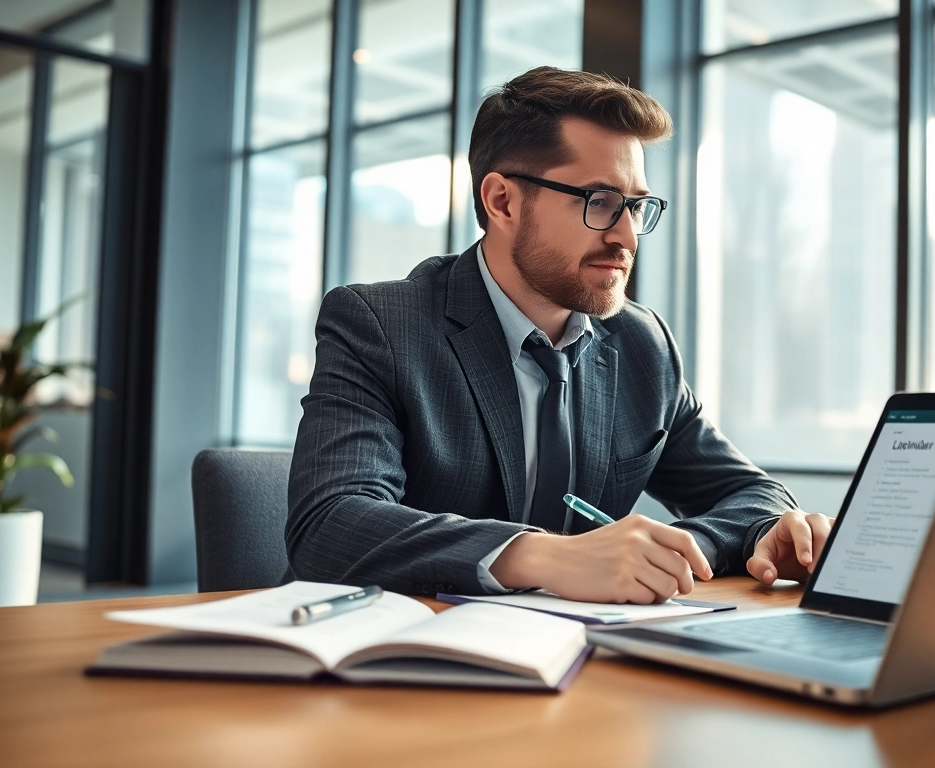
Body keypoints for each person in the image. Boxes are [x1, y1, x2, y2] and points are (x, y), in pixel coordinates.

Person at [286, 66, 833, 603]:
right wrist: (548, 556)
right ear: (502, 201)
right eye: (599, 203)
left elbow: (752, 495)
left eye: (637, 206)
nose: (627, 236)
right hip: (399, 660)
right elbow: (331, 523)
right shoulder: (379, 323)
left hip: (584, 664)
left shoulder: (642, 344)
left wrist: (697, 547)